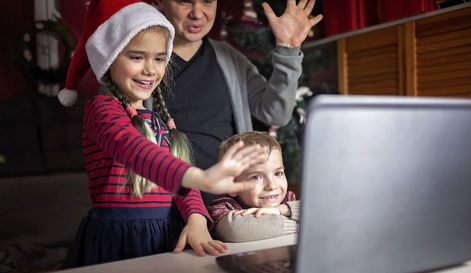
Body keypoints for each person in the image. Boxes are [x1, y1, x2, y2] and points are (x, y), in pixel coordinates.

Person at [57, 0, 267, 268]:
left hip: (164, 238)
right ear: (109, 58)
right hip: (119, 243)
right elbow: (139, 153)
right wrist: (201, 177)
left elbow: (179, 181)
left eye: (159, 58)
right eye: (136, 57)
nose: (150, 69)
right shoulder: (101, 110)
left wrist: (196, 219)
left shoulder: (159, 121)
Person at [157, 0, 323, 204]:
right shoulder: (141, 62)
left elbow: (276, 113)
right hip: (167, 206)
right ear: (160, 3)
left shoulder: (229, 58)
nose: (198, 14)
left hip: (228, 206)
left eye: (207, 2)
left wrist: (287, 49)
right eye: (185, 2)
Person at [208, 131, 300, 242]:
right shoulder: (222, 207)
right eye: (256, 177)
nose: (271, 185)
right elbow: (235, 230)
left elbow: (319, 211)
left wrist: (280, 210)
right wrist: (300, 224)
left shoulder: (286, 200)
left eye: (278, 173)